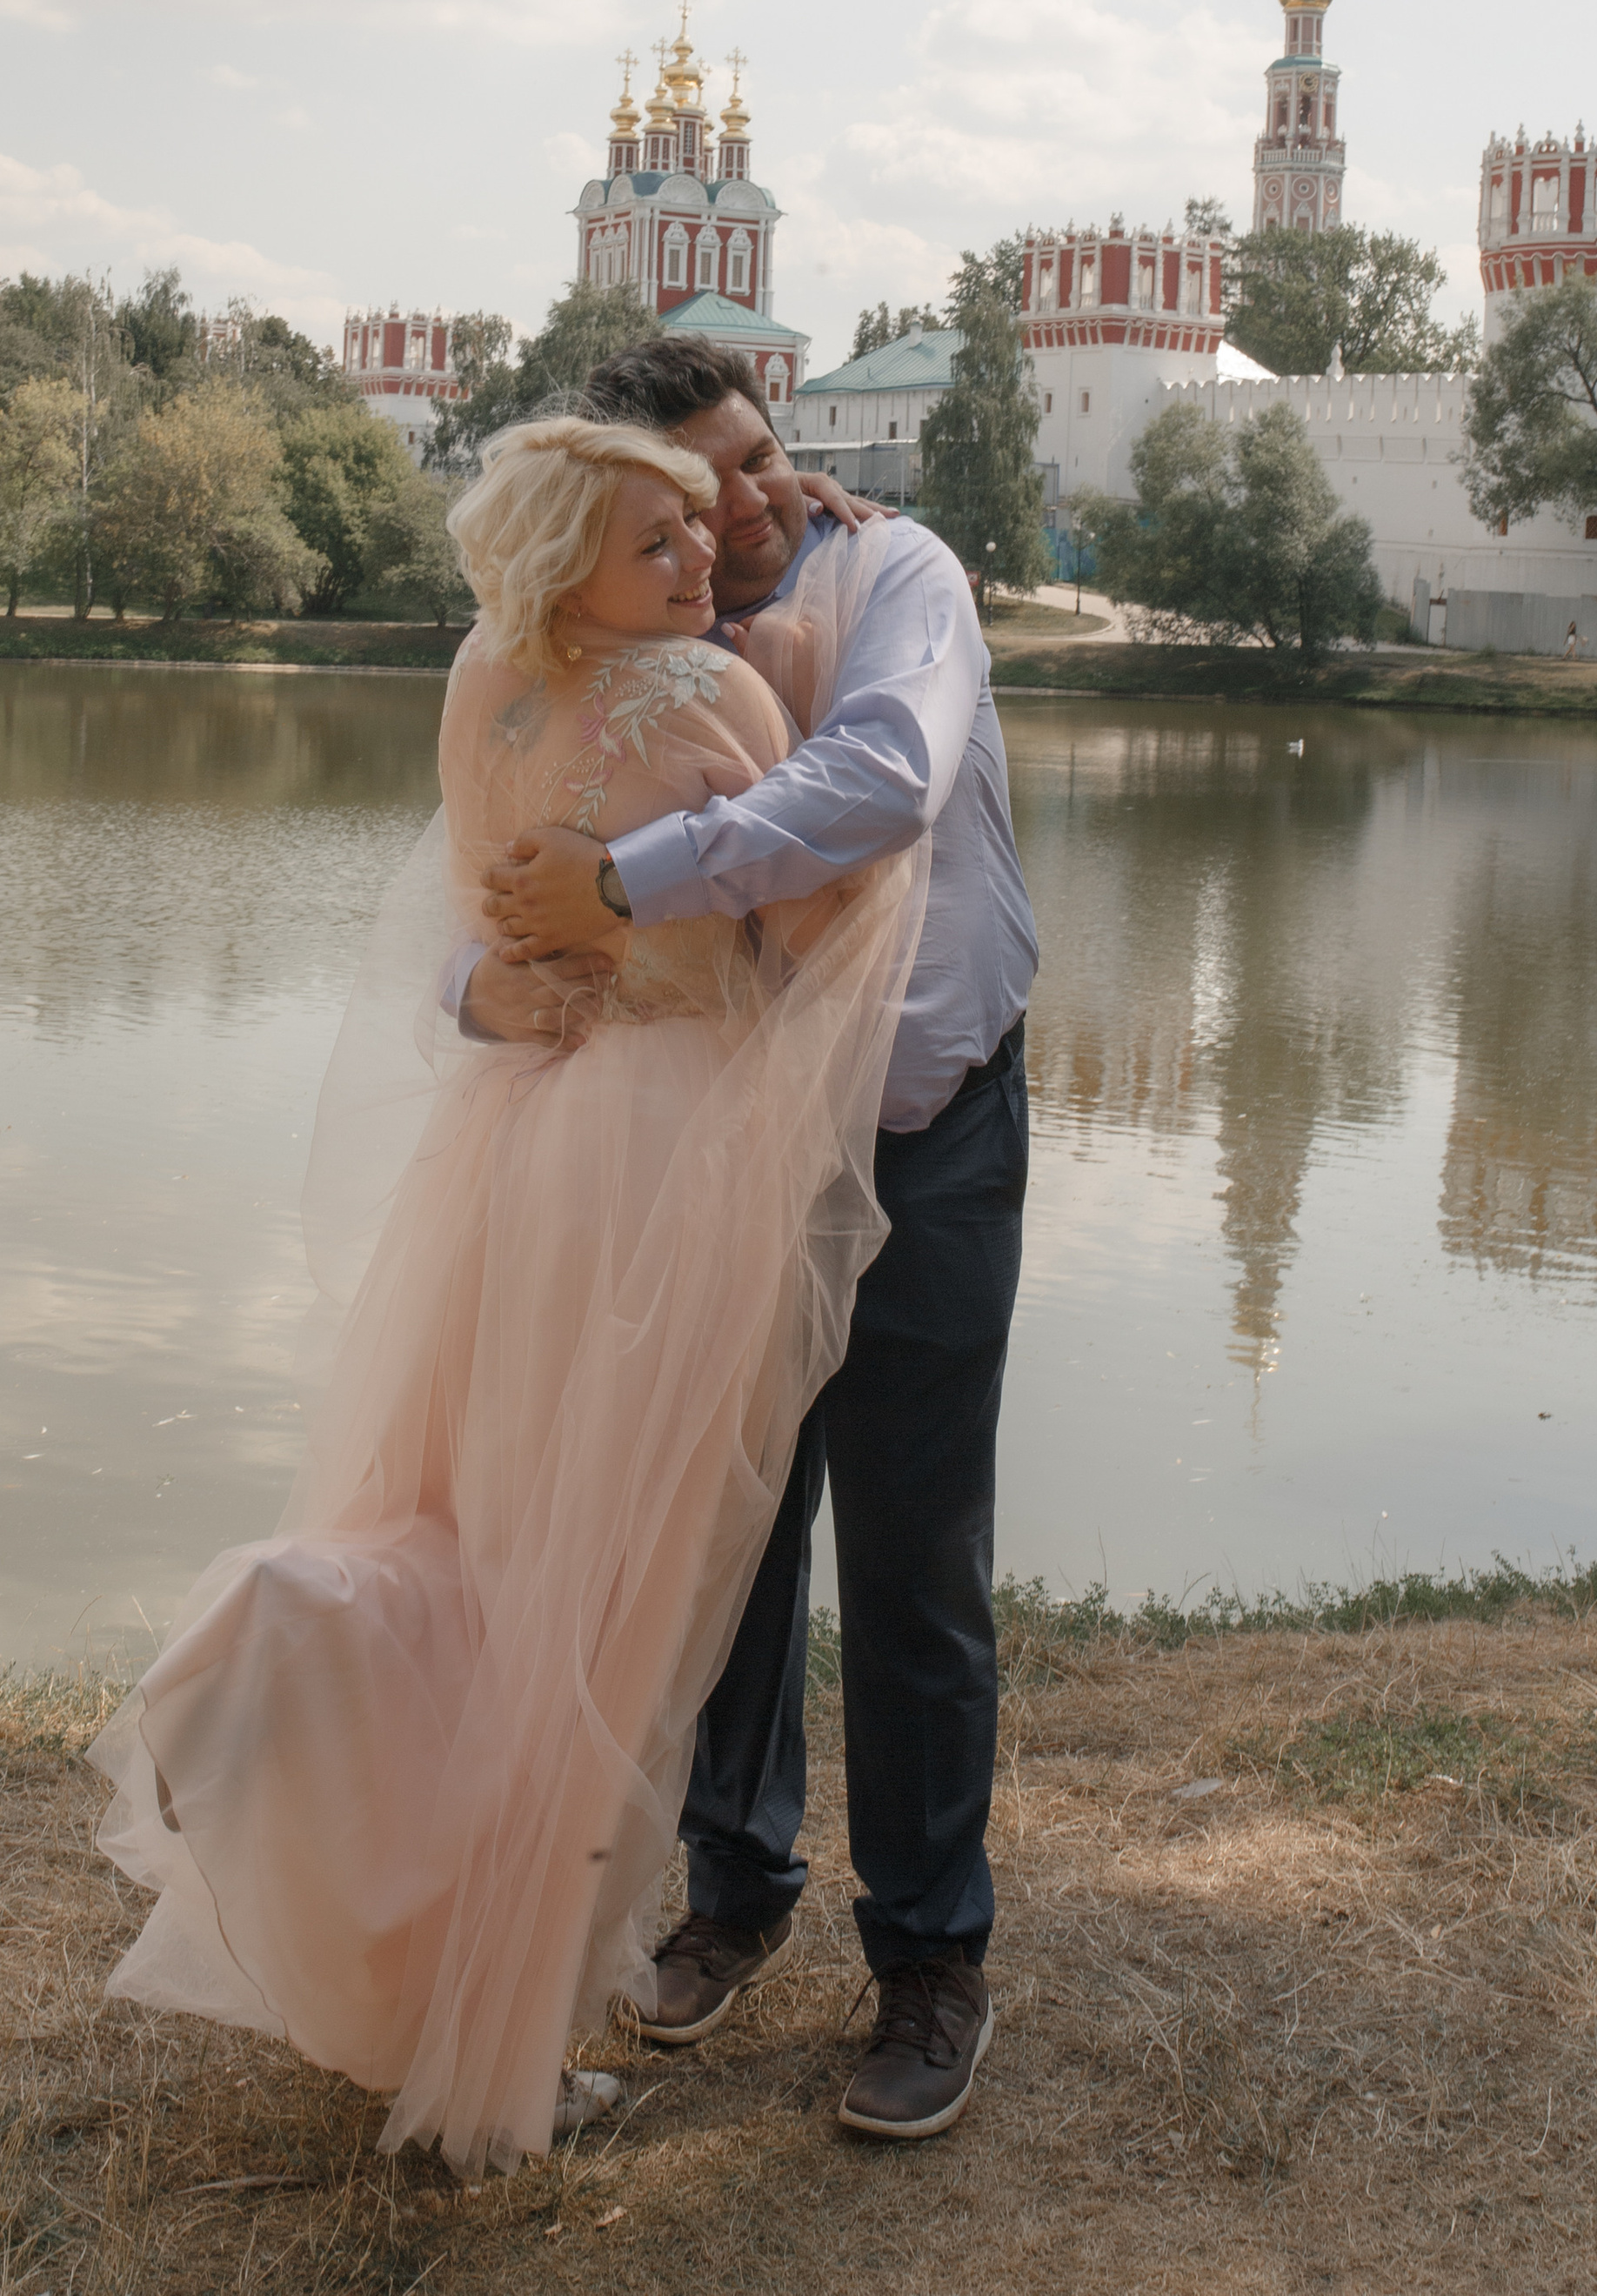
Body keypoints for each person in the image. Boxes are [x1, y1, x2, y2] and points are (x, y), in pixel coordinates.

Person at [90, 415, 925, 2178]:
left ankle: (300, 1635)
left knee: (470, 1528)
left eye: (699, 533)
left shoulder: (486, 685)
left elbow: (465, 927)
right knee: (607, 1609)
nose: (700, 564)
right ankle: (496, 2041)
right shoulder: (707, 699)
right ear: (570, 563)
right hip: (657, 1165)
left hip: (506, 1146)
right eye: (657, 543)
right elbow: (823, 907)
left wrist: (511, 976)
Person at [475, 337, 1037, 2143]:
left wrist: (629, 880)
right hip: (709, 1158)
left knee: (912, 1562)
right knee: (713, 1547)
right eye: (712, 485)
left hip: (916, 1132)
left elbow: (882, 777)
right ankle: (730, 1899)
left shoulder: (898, 574)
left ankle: (928, 1964)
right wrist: (487, 983)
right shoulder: (613, 654)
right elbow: (497, 869)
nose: (765, 497)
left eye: (768, 455)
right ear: (632, 504)